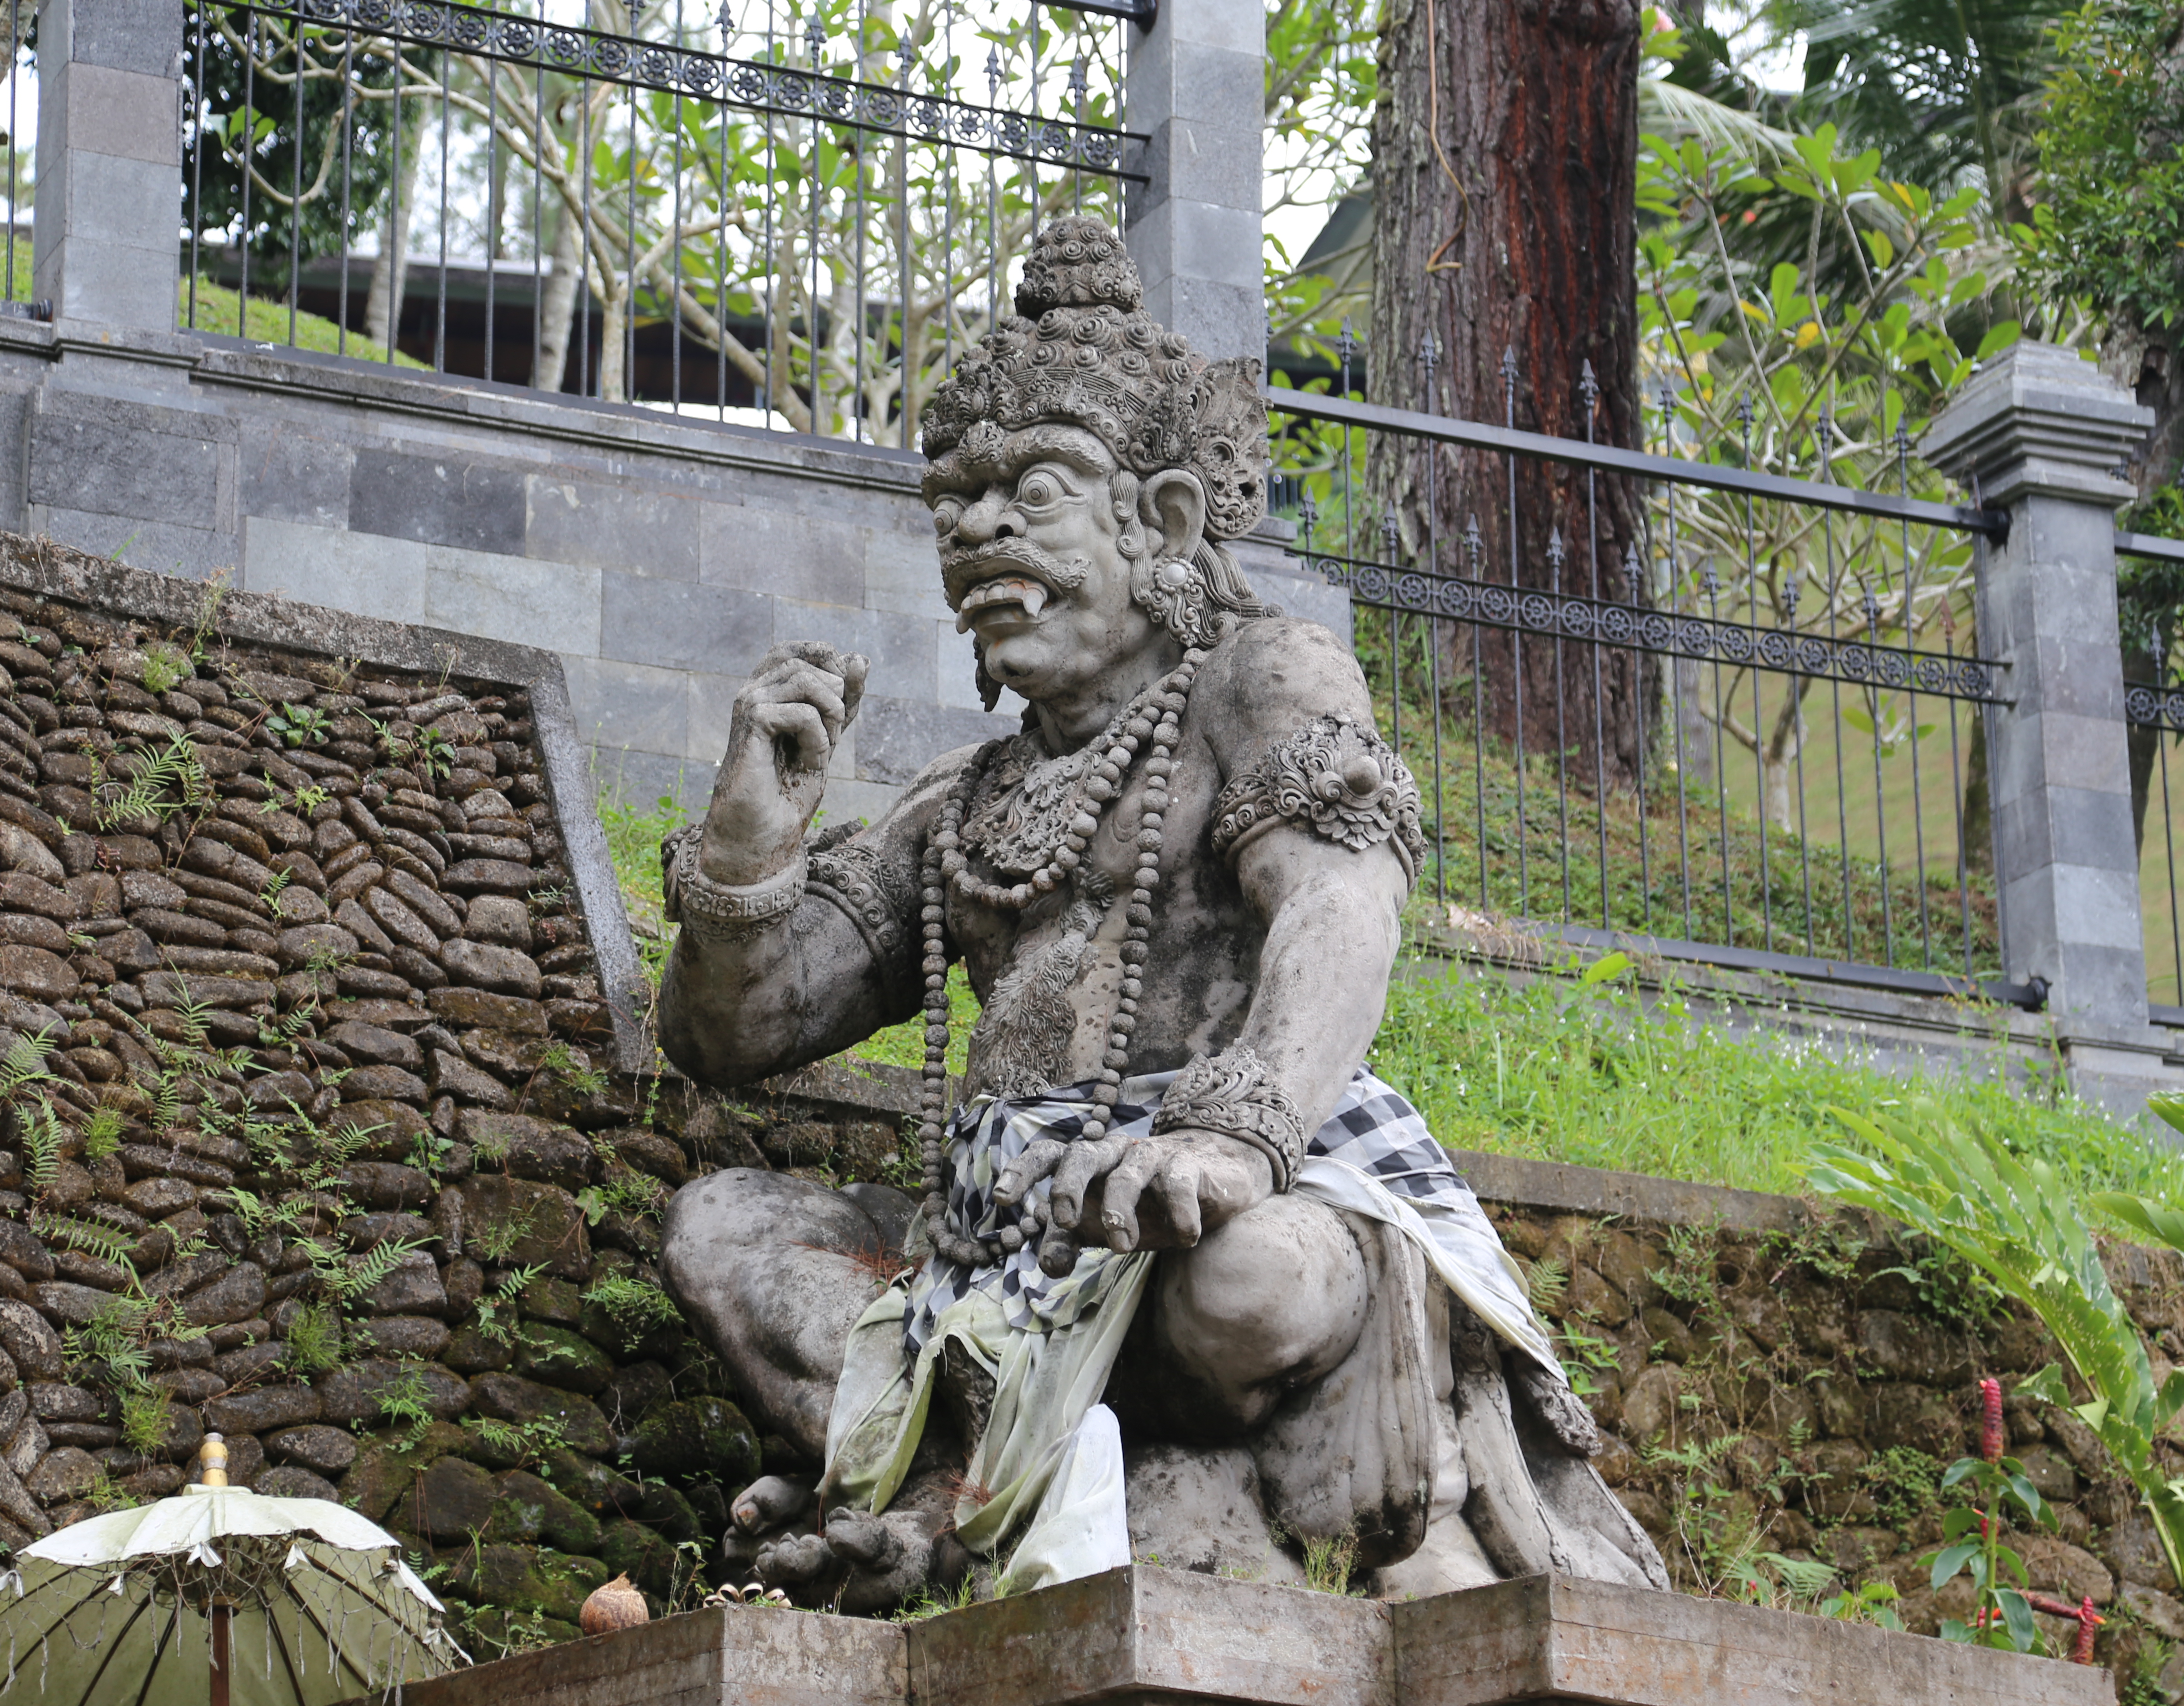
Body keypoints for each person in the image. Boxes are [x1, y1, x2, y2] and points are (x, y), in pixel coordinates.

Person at [655, 216, 1665, 1610]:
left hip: (1231, 1205)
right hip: (1001, 1257)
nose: (979, 529)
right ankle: (979, 1488)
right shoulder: (967, 801)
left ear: (1166, 522)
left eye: (1036, 490)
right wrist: (748, 849)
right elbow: (740, 1031)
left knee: (1254, 1285)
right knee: (722, 1231)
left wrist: (1234, 1135)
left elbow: (1343, 898)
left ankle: (975, 1496)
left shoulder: (1264, 682)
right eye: (957, 501)